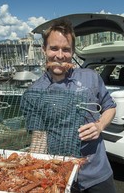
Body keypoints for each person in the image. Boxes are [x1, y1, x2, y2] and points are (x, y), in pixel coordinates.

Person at [20, 19, 117, 193]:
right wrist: (36, 172)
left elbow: (110, 107)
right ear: (44, 50)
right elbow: (39, 137)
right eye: (54, 48)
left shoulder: (91, 77)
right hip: (61, 176)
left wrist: (100, 125)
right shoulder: (34, 92)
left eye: (66, 49)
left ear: (72, 52)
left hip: (97, 173)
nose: (59, 55)